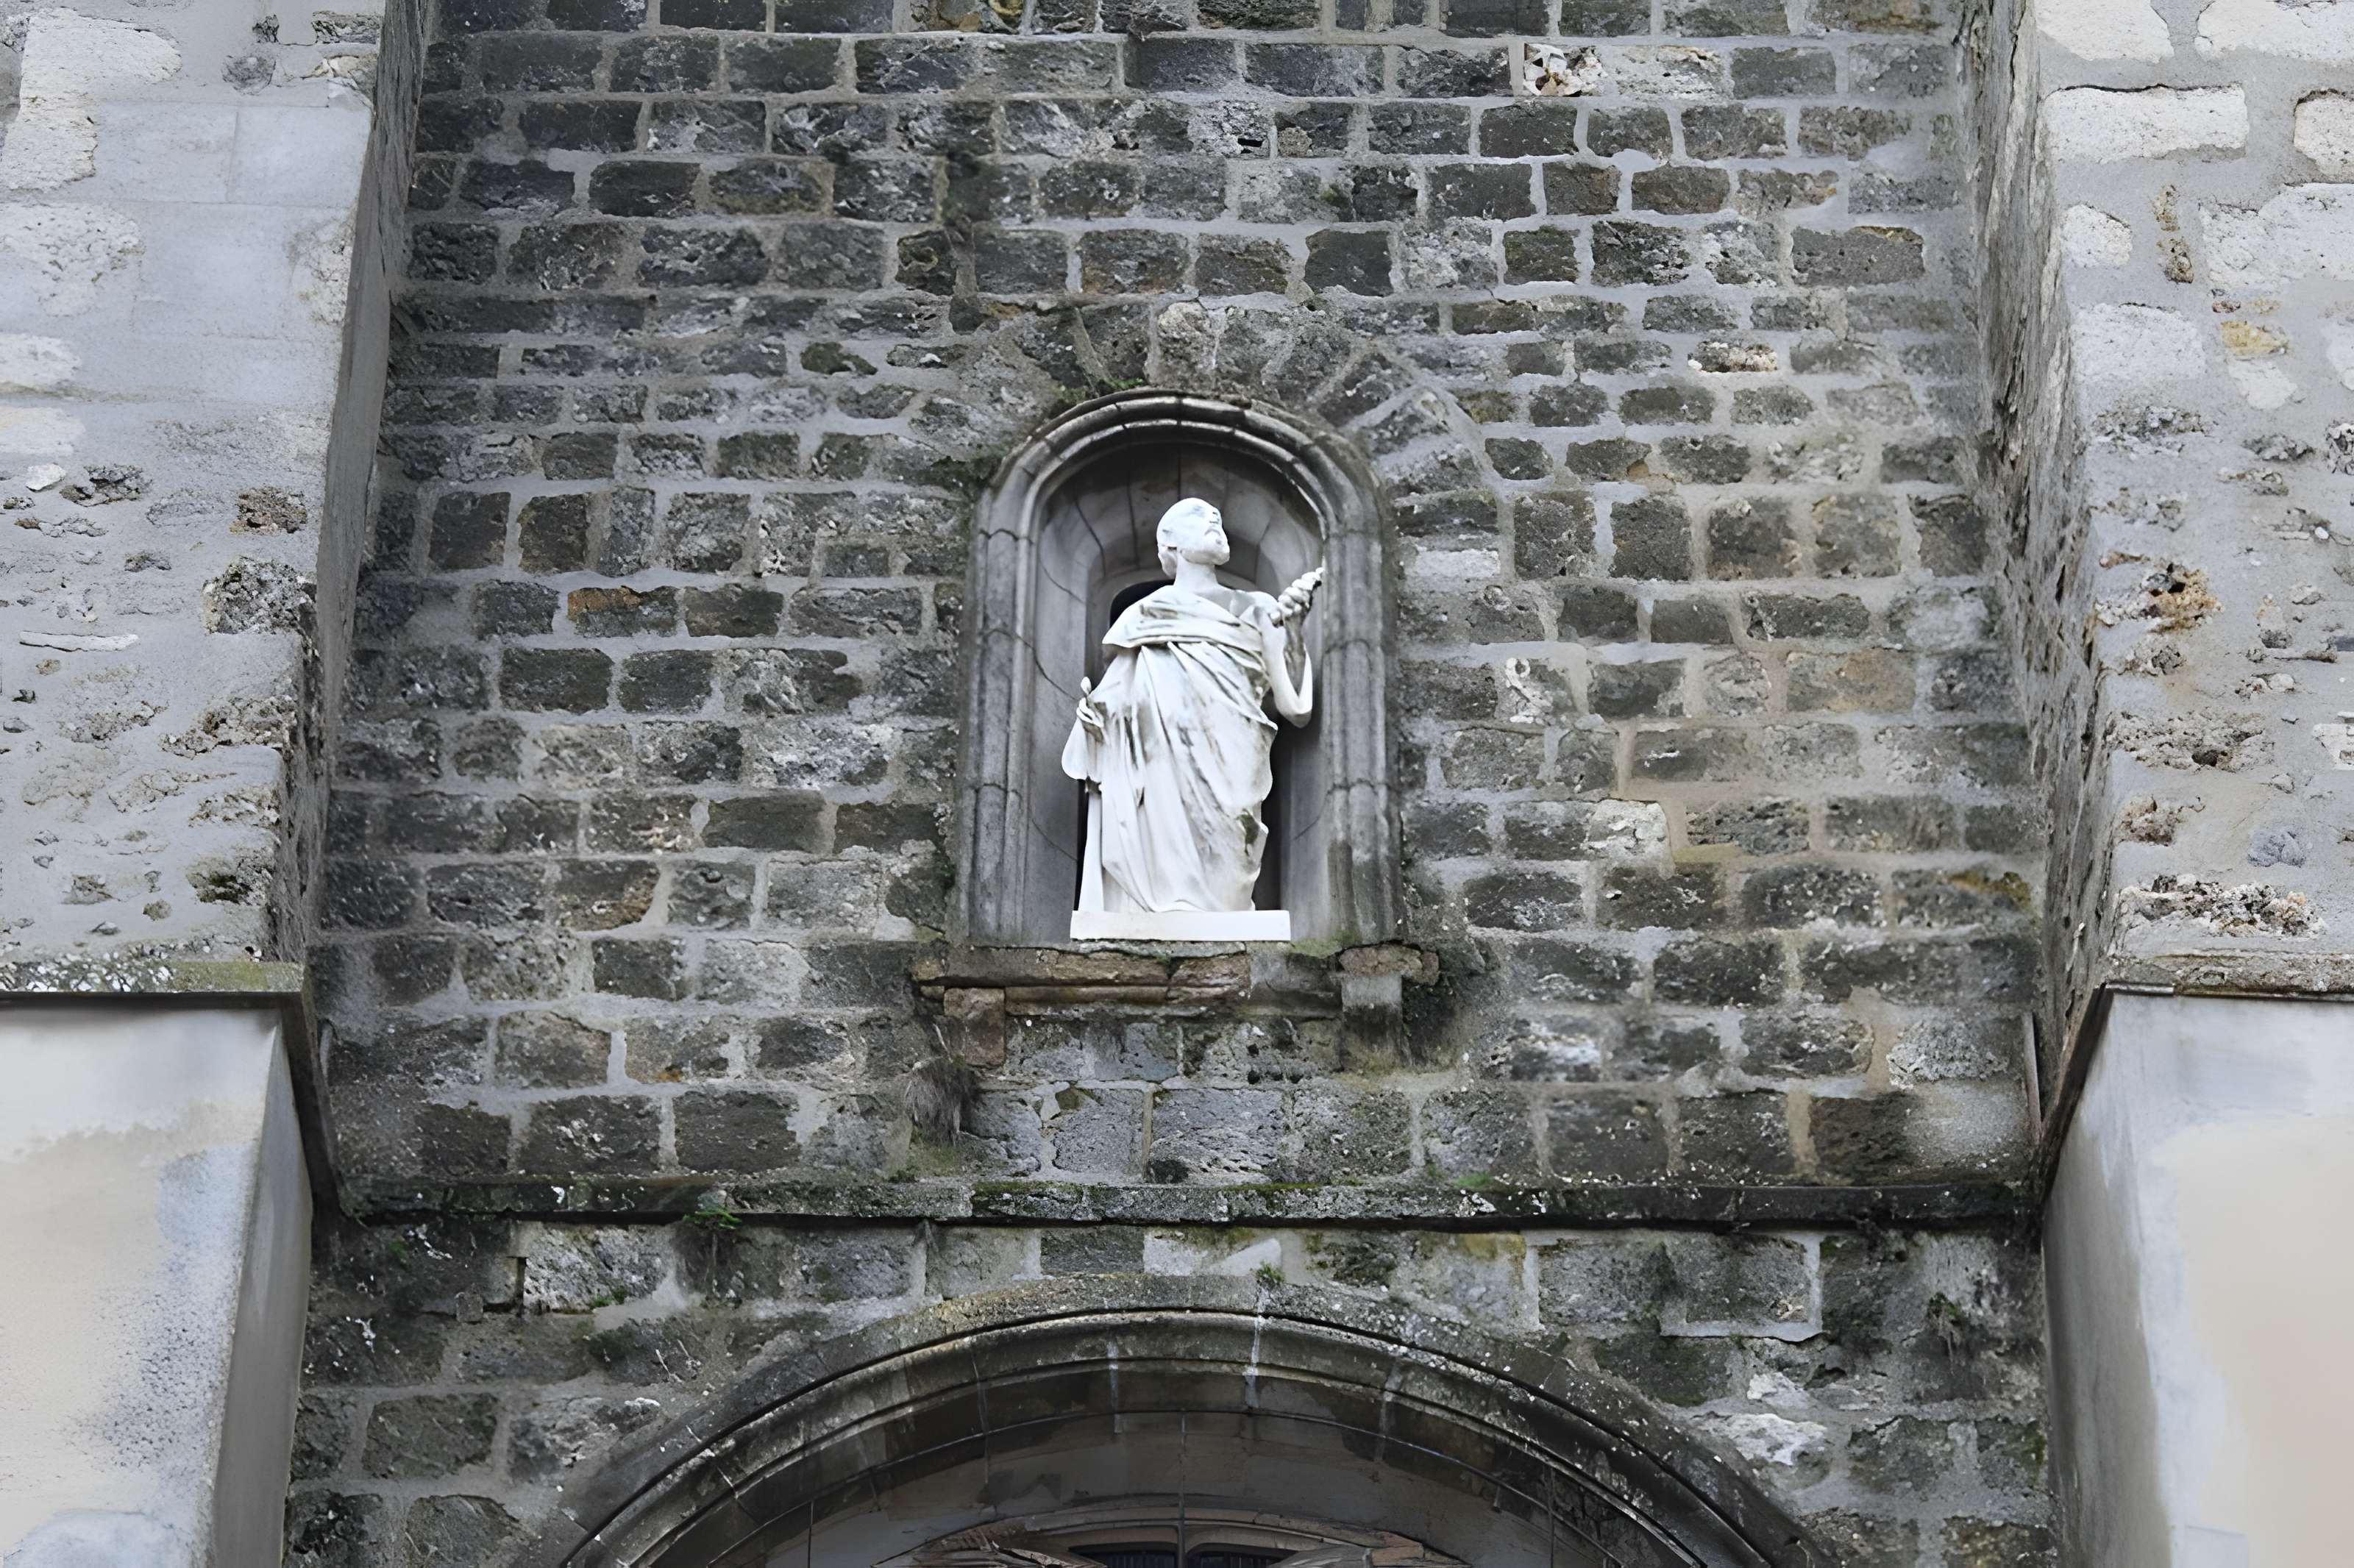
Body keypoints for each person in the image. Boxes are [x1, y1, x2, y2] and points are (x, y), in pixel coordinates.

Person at [1061, 497, 1315, 916]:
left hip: (1236, 753)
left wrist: (1295, 634)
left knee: (1232, 852)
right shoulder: (1144, 614)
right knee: (1164, 832)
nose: (1215, 522)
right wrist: (1095, 723)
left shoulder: (1259, 608)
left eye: (1218, 518)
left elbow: (1295, 708)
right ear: (1170, 544)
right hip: (1160, 754)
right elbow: (1116, 697)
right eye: (1200, 518)